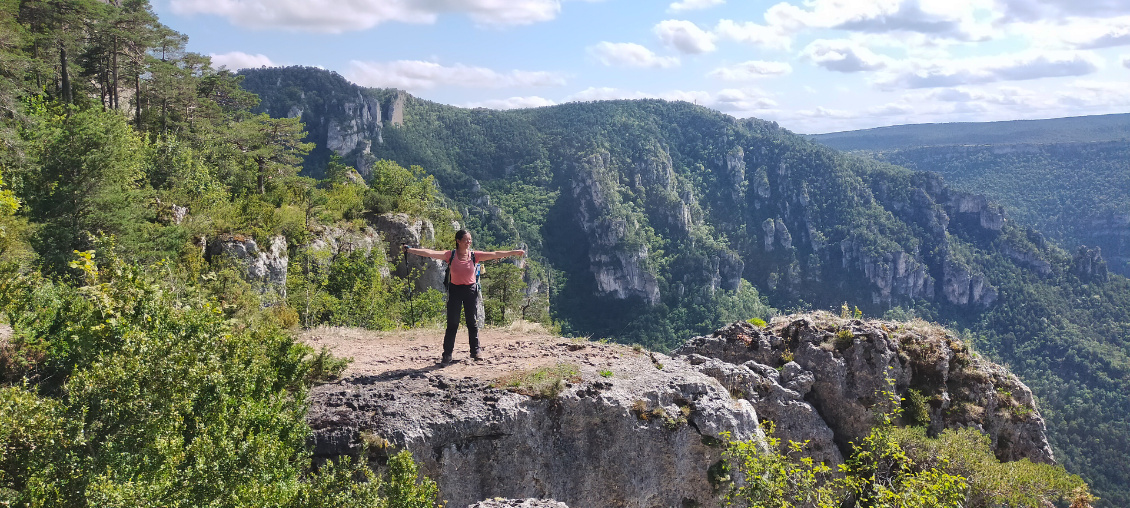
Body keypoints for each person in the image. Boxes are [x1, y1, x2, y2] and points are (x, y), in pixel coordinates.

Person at [403, 230, 525, 363]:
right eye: (466, 240)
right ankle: (447, 354)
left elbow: (495, 254)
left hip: (470, 290)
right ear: (458, 241)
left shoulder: (474, 255)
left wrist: (514, 252)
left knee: (472, 322)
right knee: (452, 324)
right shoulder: (450, 255)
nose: (469, 242)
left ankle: (476, 351)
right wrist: (410, 250)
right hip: (455, 290)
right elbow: (429, 253)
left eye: (470, 240)